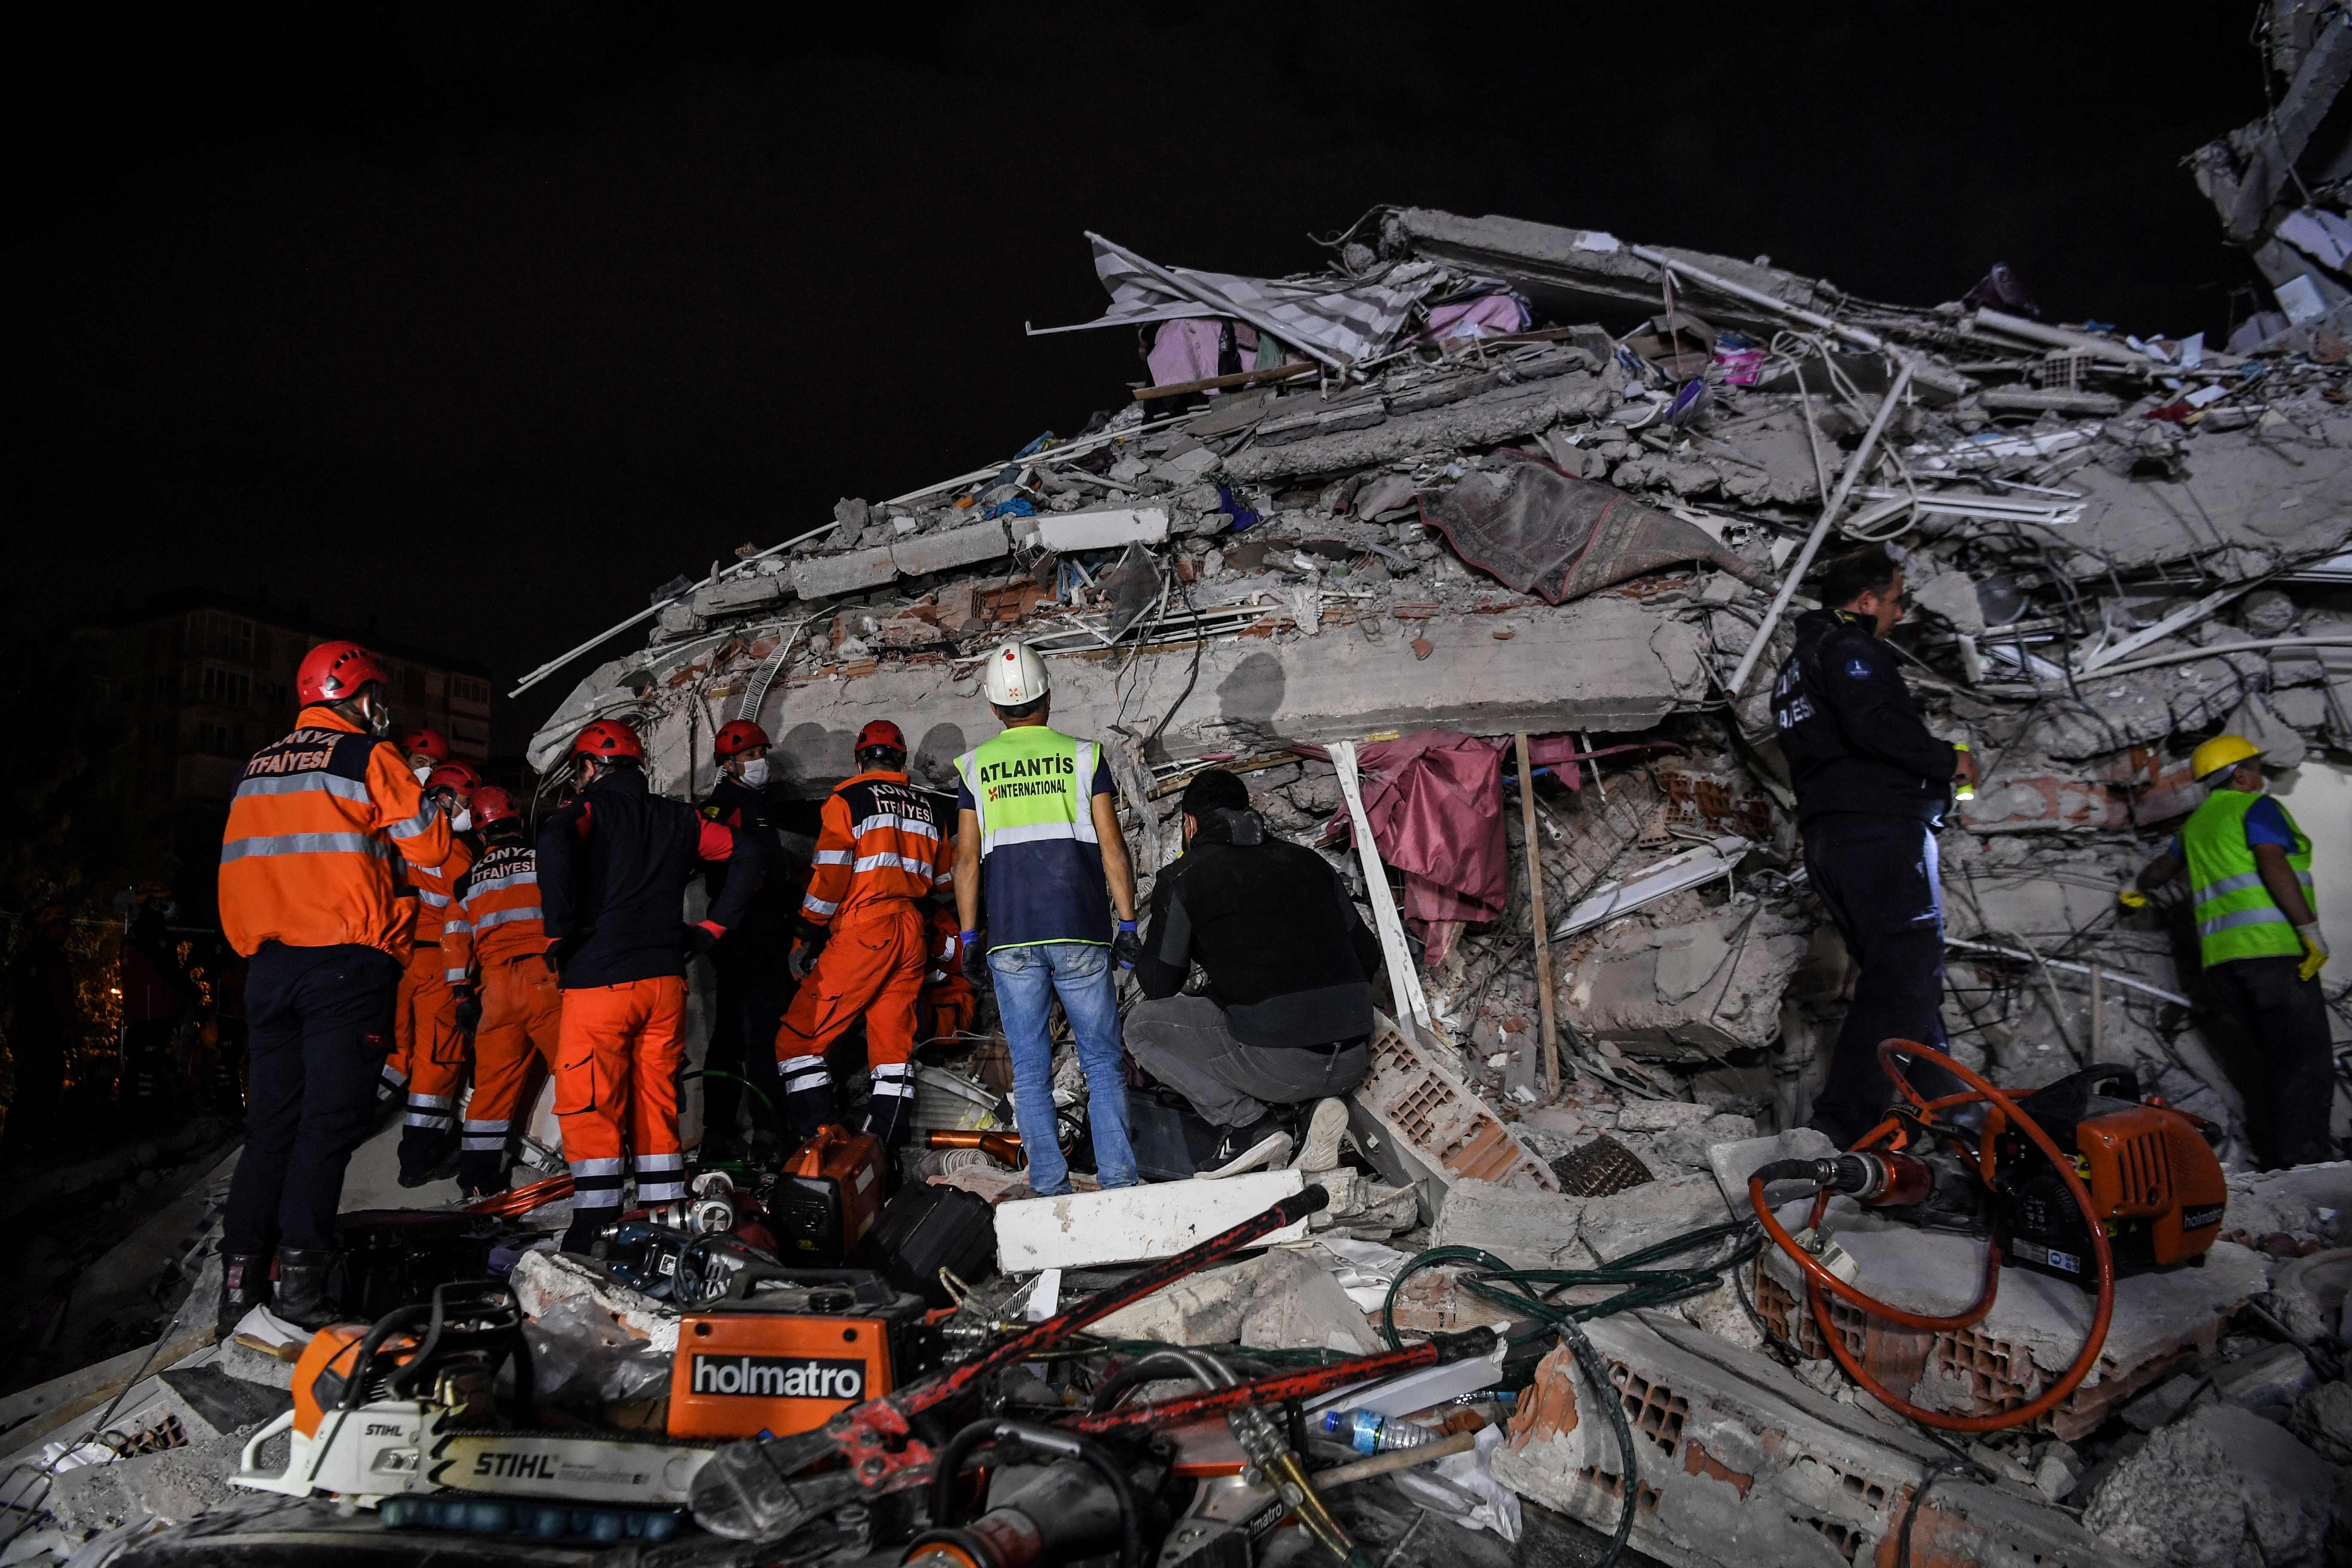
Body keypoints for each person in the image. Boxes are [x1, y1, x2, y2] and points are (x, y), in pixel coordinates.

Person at [216, 638, 456, 1332]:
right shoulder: (365, 756)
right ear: (353, 693)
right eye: (375, 693)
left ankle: (237, 1290)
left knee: (268, 1132)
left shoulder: (256, 767)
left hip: (266, 967)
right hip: (343, 966)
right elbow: (432, 848)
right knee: (326, 1127)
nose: (380, 706)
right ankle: (300, 1290)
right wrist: (429, 798)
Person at [1770, 545, 1975, 1147]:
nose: (1896, 611)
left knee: (1904, 979)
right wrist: (1948, 759)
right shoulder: (1851, 649)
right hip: (1878, 832)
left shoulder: (1797, 665)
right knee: (1901, 975)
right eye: (1892, 600)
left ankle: (1952, 1111)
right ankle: (1839, 1129)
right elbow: (1875, 726)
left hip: (1831, 838)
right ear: (1864, 602)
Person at [539, 718, 759, 1253]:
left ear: (590, 767)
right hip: (664, 982)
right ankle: (663, 1222)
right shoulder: (679, 818)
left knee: (591, 1101)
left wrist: (560, 930)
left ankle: (594, 1227)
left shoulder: (587, 810)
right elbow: (749, 853)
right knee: (655, 1099)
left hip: (599, 981)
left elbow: (552, 838)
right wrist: (711, 928)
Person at [953, 641, 1141, 1196]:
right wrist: (1126, 924)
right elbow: (1113, 848)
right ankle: (1119, 1183)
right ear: (1048, 698)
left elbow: (965, 860)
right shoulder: (1084, 756)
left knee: (1031, 1072)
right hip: (1080, 931)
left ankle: (1050, 1189)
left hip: (1010, 938)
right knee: (1103, 1063)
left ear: (993, 708)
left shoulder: (975, 767)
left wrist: (968, 935)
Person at [1128, 769, 1383, 1176]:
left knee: (1141, 1026)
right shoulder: (1310, 863)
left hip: (1281, 1067)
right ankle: (1307, 1114)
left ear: (1189, 823)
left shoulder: (1184, 877)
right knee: (1255, 1011)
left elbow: (1160, 984)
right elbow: (1368, 956)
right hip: (1353, 1059)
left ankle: (1247, 1125)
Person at [2124, 735, 2333, 1167]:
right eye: (2256, 767)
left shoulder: (2196, 824)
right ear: (2240, 774)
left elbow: (2160, 870)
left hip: (2222, 963)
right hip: (2274, 951)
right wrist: (2308, 930)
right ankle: (2306, 1164)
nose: (2260, 776)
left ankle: (2282, 1158)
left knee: (2272, 1060)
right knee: (2304, 1060)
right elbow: (2271, 862)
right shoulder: (2256, 807)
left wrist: (2133, 889)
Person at [772, 720, 950, 1146]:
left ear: (858, 758)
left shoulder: (847, 800)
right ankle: (880, 1147)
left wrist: (807, 931)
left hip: (864, 930)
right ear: (901, 759)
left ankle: (822, 1141)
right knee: (892, 1047)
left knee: (798, 1039)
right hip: (911, 932)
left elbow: (830, 877)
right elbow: (945, 881)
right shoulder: (929, 808)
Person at [442, 786, 562, 1197]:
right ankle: (597, 1171)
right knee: (578, 1076)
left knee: (491, 1090)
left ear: (480, 835)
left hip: (493, 990)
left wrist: (461, 994)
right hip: (546, 979)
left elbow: (456, 939)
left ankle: (477, 1182)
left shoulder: (466, 882)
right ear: (519, 823)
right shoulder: (545, 860)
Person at [696, 719, 804, 1157]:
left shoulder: (755, 806)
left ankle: (759, 1131)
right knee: (743, 1035)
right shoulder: (725, 807)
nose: (761, 762)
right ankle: (732, 1132)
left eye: (762, 753)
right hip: (743, 933)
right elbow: (723, 870)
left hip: (762, 931)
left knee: (756, 1034)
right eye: (751, 756)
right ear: (728, 764)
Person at [391, 761, 480, 1185]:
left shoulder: (397, 839)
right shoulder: (455, 853)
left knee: (397, 1051)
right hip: (439, 964)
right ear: (443, 799)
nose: (467, 810)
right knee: (438, 1061)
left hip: (396, 958)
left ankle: (354, 1122)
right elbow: (468, 919)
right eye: (464, 801)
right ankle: (419, 1159)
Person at [117, 881, 195, 1126]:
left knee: (140, 1065)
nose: (170, 905)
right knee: (148, 1066)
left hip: (140, 1010)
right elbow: (167, 967)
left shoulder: (139, 930)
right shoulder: (153, 929)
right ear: (153, 901)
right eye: (164, 899)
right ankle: (146, 1119)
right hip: (155, 1008)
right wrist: (189, 989)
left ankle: (132, 1116)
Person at [5, 904, 77, 1161]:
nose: (66, 930)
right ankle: (30, 1144)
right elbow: (59, 998)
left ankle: (24, 1144)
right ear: (47, 929)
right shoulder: (48, 959)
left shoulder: (30, 958)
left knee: (34, 1088)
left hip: (30, 1033)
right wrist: (69, 1027)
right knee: (38, 1088)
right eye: (62, 924)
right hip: (40, 1034)